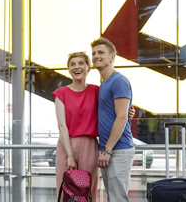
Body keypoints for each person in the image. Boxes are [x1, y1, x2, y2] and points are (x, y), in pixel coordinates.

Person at [91, 37, 135, 202]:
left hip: (118, 150)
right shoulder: (104, 84)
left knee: (118, 199)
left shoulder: (119, 81)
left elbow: (122, 117)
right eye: (94, 53)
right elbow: (122, 112)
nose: (96, 56)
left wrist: (107, 150)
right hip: (108, 149)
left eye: (101, 52)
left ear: (112, 57)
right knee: (113, 198)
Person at [53, 52, 100, 201]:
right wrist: (70, 156)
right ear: (68, 69)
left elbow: (113, 110)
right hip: (66, 144)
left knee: (87, 192)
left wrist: (129, 111)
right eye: (72, 64)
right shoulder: (61, 93)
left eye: (81, 63)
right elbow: (62, 125)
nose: (76, 67)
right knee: (65, 189)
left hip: (89, 145)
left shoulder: (96, 91)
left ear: (88, 67)